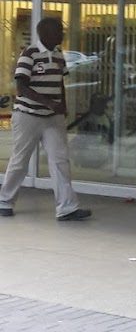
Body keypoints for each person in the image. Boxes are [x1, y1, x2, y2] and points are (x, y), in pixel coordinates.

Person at [0, 17, 92, 222]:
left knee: (60, 160)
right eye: (59, 31)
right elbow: (21, 87)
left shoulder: (58, 54)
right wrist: (49, 103)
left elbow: (60, 83)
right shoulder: (30, 53)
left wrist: (62, 106)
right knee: (20, 159)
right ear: (45, 33)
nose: (62, 34)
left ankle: (67, 207)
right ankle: (4, 201)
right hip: (27, 115)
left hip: (53, 117)